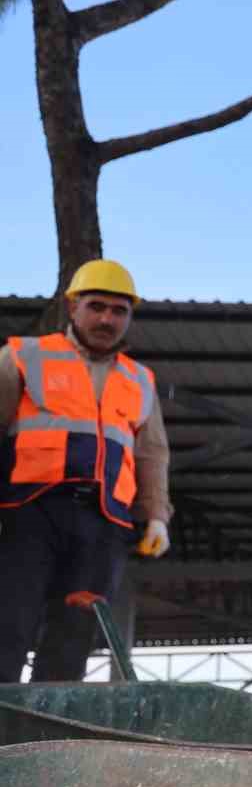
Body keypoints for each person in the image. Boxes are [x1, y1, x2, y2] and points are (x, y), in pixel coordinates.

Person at [0, 260, 172, 682]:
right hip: (29, 514)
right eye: (97, 306)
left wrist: (156, 516)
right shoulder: (24, 356)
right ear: (72, 307)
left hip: (103, 525)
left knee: (73, 639)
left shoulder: (139, 379)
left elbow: (151, 454)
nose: (107, 319)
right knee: (9, 624)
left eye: (119, 311)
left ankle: (44, 740)